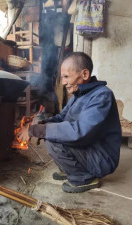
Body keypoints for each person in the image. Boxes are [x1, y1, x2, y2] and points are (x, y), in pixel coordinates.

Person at [19, 52, 122, 193]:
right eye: (62, 78)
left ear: (85, 74)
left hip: (102, 159)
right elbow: (61, 118)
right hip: (90, 148)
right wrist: (41, 124)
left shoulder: (102, 95)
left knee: (53, 141)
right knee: (51, 133)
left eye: (66, 77)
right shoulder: (78, 95)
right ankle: (69, 168)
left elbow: (80, 131)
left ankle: (84, 178)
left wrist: (38, 131)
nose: (63, 82)